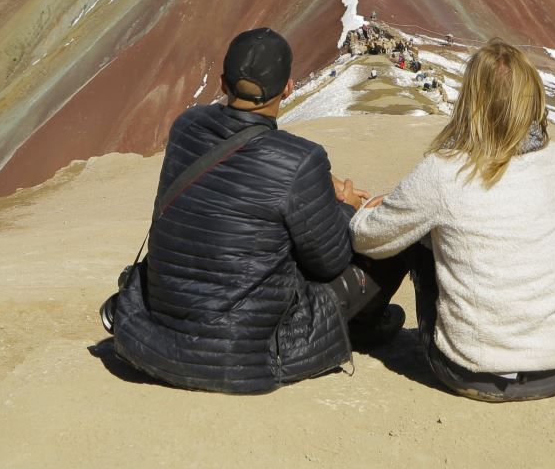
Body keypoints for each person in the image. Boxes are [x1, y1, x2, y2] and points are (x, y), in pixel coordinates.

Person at [104, 27, 396, 394]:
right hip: (242, 358)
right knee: (386, 233)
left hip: (152, 340)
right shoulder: (301, 160)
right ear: (288, 88)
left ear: (224, 83)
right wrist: (344, 207)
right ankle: (361, 329)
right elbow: (330, 262)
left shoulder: (185, 127)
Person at [344, 39, 555, 402]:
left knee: (413, 236)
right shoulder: (553, 158)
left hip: (474, 370)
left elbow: (369, 238)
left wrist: (365, 207)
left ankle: (366, 327)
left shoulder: (445, 171)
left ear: (470, 102)